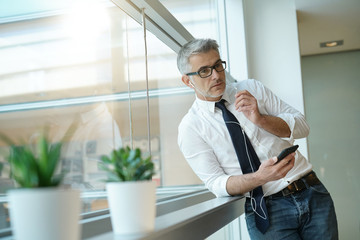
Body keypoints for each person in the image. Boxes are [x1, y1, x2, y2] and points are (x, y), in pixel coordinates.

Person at [177, 38, 338, 239]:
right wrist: (260, 178)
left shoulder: (252, 89)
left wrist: (261, 119)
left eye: (218, 65)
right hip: (267, 211)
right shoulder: (190, 127)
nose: (216, 75)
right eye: (204, 71)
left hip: (312, 191)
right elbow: (216, 183)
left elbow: (302, 126)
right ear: (187, 80)